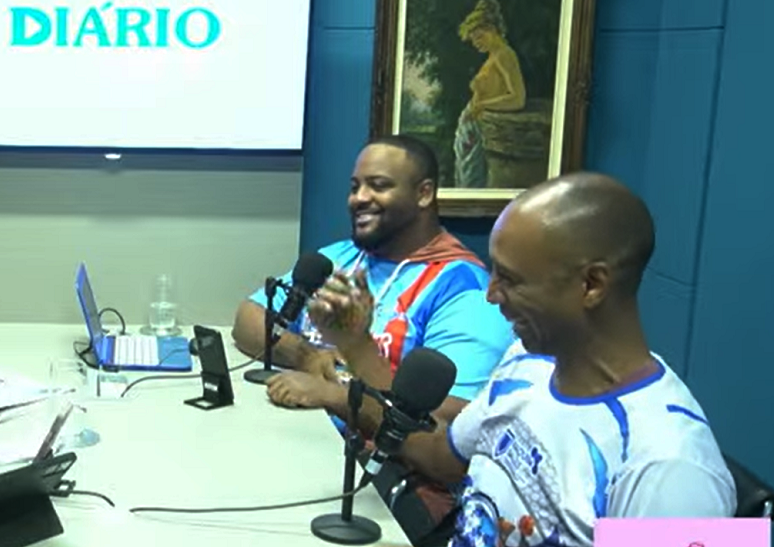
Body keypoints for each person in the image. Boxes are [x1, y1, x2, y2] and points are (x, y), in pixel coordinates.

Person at [308, 172, 736, 546]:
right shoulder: (526, 362)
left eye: (510, 280)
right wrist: (356, 349)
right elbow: (440, 457)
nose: (491, 295)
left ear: (591, 285)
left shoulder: (675, 469)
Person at [231, 136, 515, 536]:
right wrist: (307, 356)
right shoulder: (341, 257)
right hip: (295, 444)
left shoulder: (466, 290)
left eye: (378, 186)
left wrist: (334, 394)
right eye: (355, 186)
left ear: (424, 193)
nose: (359, 198)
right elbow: (249, 318)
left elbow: (443, 431)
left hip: (379, 489)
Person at [454, 0, 526, 188]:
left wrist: (481, 105)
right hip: (472, 127)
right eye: (473, 39)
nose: (475, 43)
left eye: (479, 37)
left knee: (472, 180)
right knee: (465, 177)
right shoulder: (493, 56)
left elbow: (518, 99)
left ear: (492, 30)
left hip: (479, 127)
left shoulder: (504, 55)